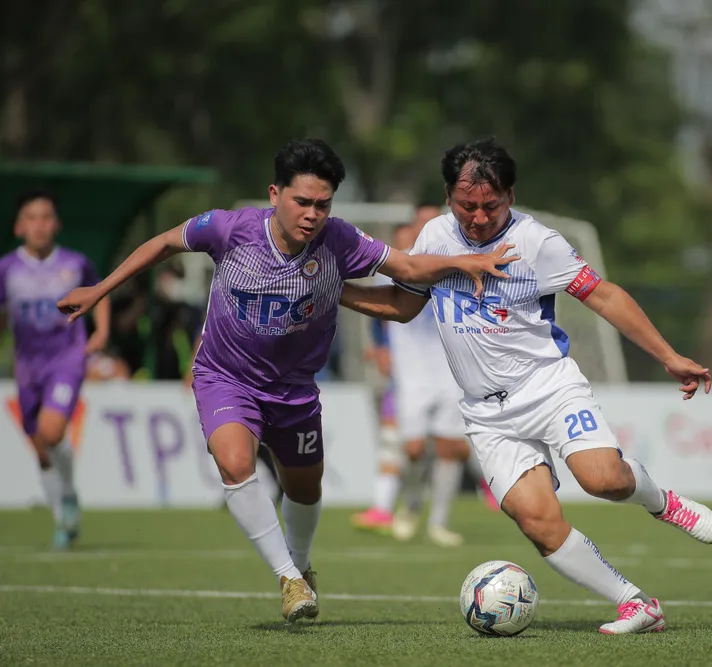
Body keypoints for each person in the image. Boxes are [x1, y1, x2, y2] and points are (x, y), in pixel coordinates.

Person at [57, 138, 517, 623]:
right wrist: (100, 288)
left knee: (305, 487)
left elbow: (402, 266)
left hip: (294, 386)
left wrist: (465, 263)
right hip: (225, 377)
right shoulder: (228, 228)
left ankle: (301, 562)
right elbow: (165, 242)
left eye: (323, 204)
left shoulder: (339, 239)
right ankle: (288, 578)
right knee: (234, 462)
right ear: (275, 194)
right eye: (302, 201)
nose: (313, 214)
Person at [338, 138, 712, 635]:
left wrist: (669, 356)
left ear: (511, 197)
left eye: (490, 206)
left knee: (603, 479)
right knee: (536, 519)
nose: (477, 218)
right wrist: (335, 290)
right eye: (466, 205)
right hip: (486, 413)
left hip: (548, 388)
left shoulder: (537, 243)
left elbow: (602, 296)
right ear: (449, 196)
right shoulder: (433, 236)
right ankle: (635, 604)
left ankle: (661, 502)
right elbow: (404, 304)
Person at [351, 213, 498, 547]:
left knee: (450, 448)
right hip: (411, 376)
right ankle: (412, 502)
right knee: (414, 449)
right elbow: (380, 313)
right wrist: (380, 348)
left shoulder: (455, 268)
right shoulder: (394, 272)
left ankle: (439, 523)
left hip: (451, 373)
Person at [0, 190, 111, 549]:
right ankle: (64, 510)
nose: (40, 225)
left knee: (51, 430)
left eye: (46, 217)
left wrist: (102, 331)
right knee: (40, 447)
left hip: (66, 358)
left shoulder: (74, 263)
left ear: (57, 224)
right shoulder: (7, 269)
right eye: (32, 217)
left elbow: (100, 291)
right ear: (19, 227)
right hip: (27, 365)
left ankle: (65, 499)